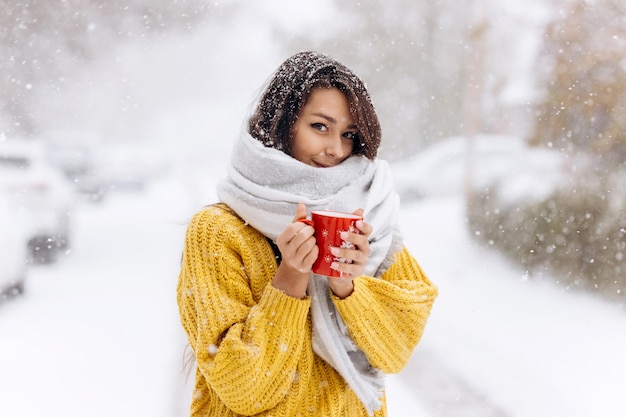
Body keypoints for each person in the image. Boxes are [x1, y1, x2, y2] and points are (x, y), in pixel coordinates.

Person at [176, 51, 438, 417]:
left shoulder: (369, 219)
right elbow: (244, 389)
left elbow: (396, 350)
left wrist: (348, 285)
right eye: (320, 126)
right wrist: (290, 278)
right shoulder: (219, 232)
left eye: (348, 134)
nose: (335, 149)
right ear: (282, 124)